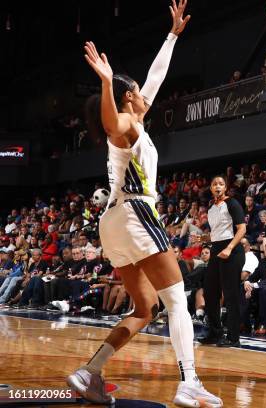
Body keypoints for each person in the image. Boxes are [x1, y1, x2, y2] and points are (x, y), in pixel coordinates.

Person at [69, 3, 222, 406]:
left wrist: (172, 35)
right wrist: (105, 83)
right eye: (135, 90)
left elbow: (155, 78)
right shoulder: (124, 124)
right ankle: (189, 381)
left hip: (114, 223)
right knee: (177, 300)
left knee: (145, 307)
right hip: (136, 212)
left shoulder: (134, 119)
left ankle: (90, 371)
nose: (143, 93)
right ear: (127, 97)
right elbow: (111, 122)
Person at [199, 176, 246, 347]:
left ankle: (233, 338)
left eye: (221, 184)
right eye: (214, 184)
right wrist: (203, 237)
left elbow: (242, 228)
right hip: (216, 250)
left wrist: (230, 248)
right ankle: (215, 333)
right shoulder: (211, 207)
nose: (217, 186)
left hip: (232, 251)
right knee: (210, 292)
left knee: (230, 294)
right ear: (210, 188)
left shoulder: (232, 203)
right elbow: (216, 233)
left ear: (225, 187)